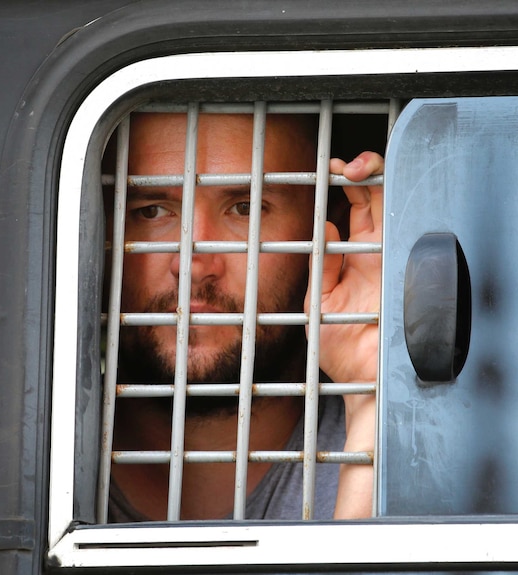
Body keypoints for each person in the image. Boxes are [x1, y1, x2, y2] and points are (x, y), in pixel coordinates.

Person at [107, 112, 382, 521]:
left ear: (330, 228)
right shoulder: (38, 455)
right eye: (151, 211)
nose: (193, 263)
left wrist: (370, 405)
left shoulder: (395, 451)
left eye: (245, 207)